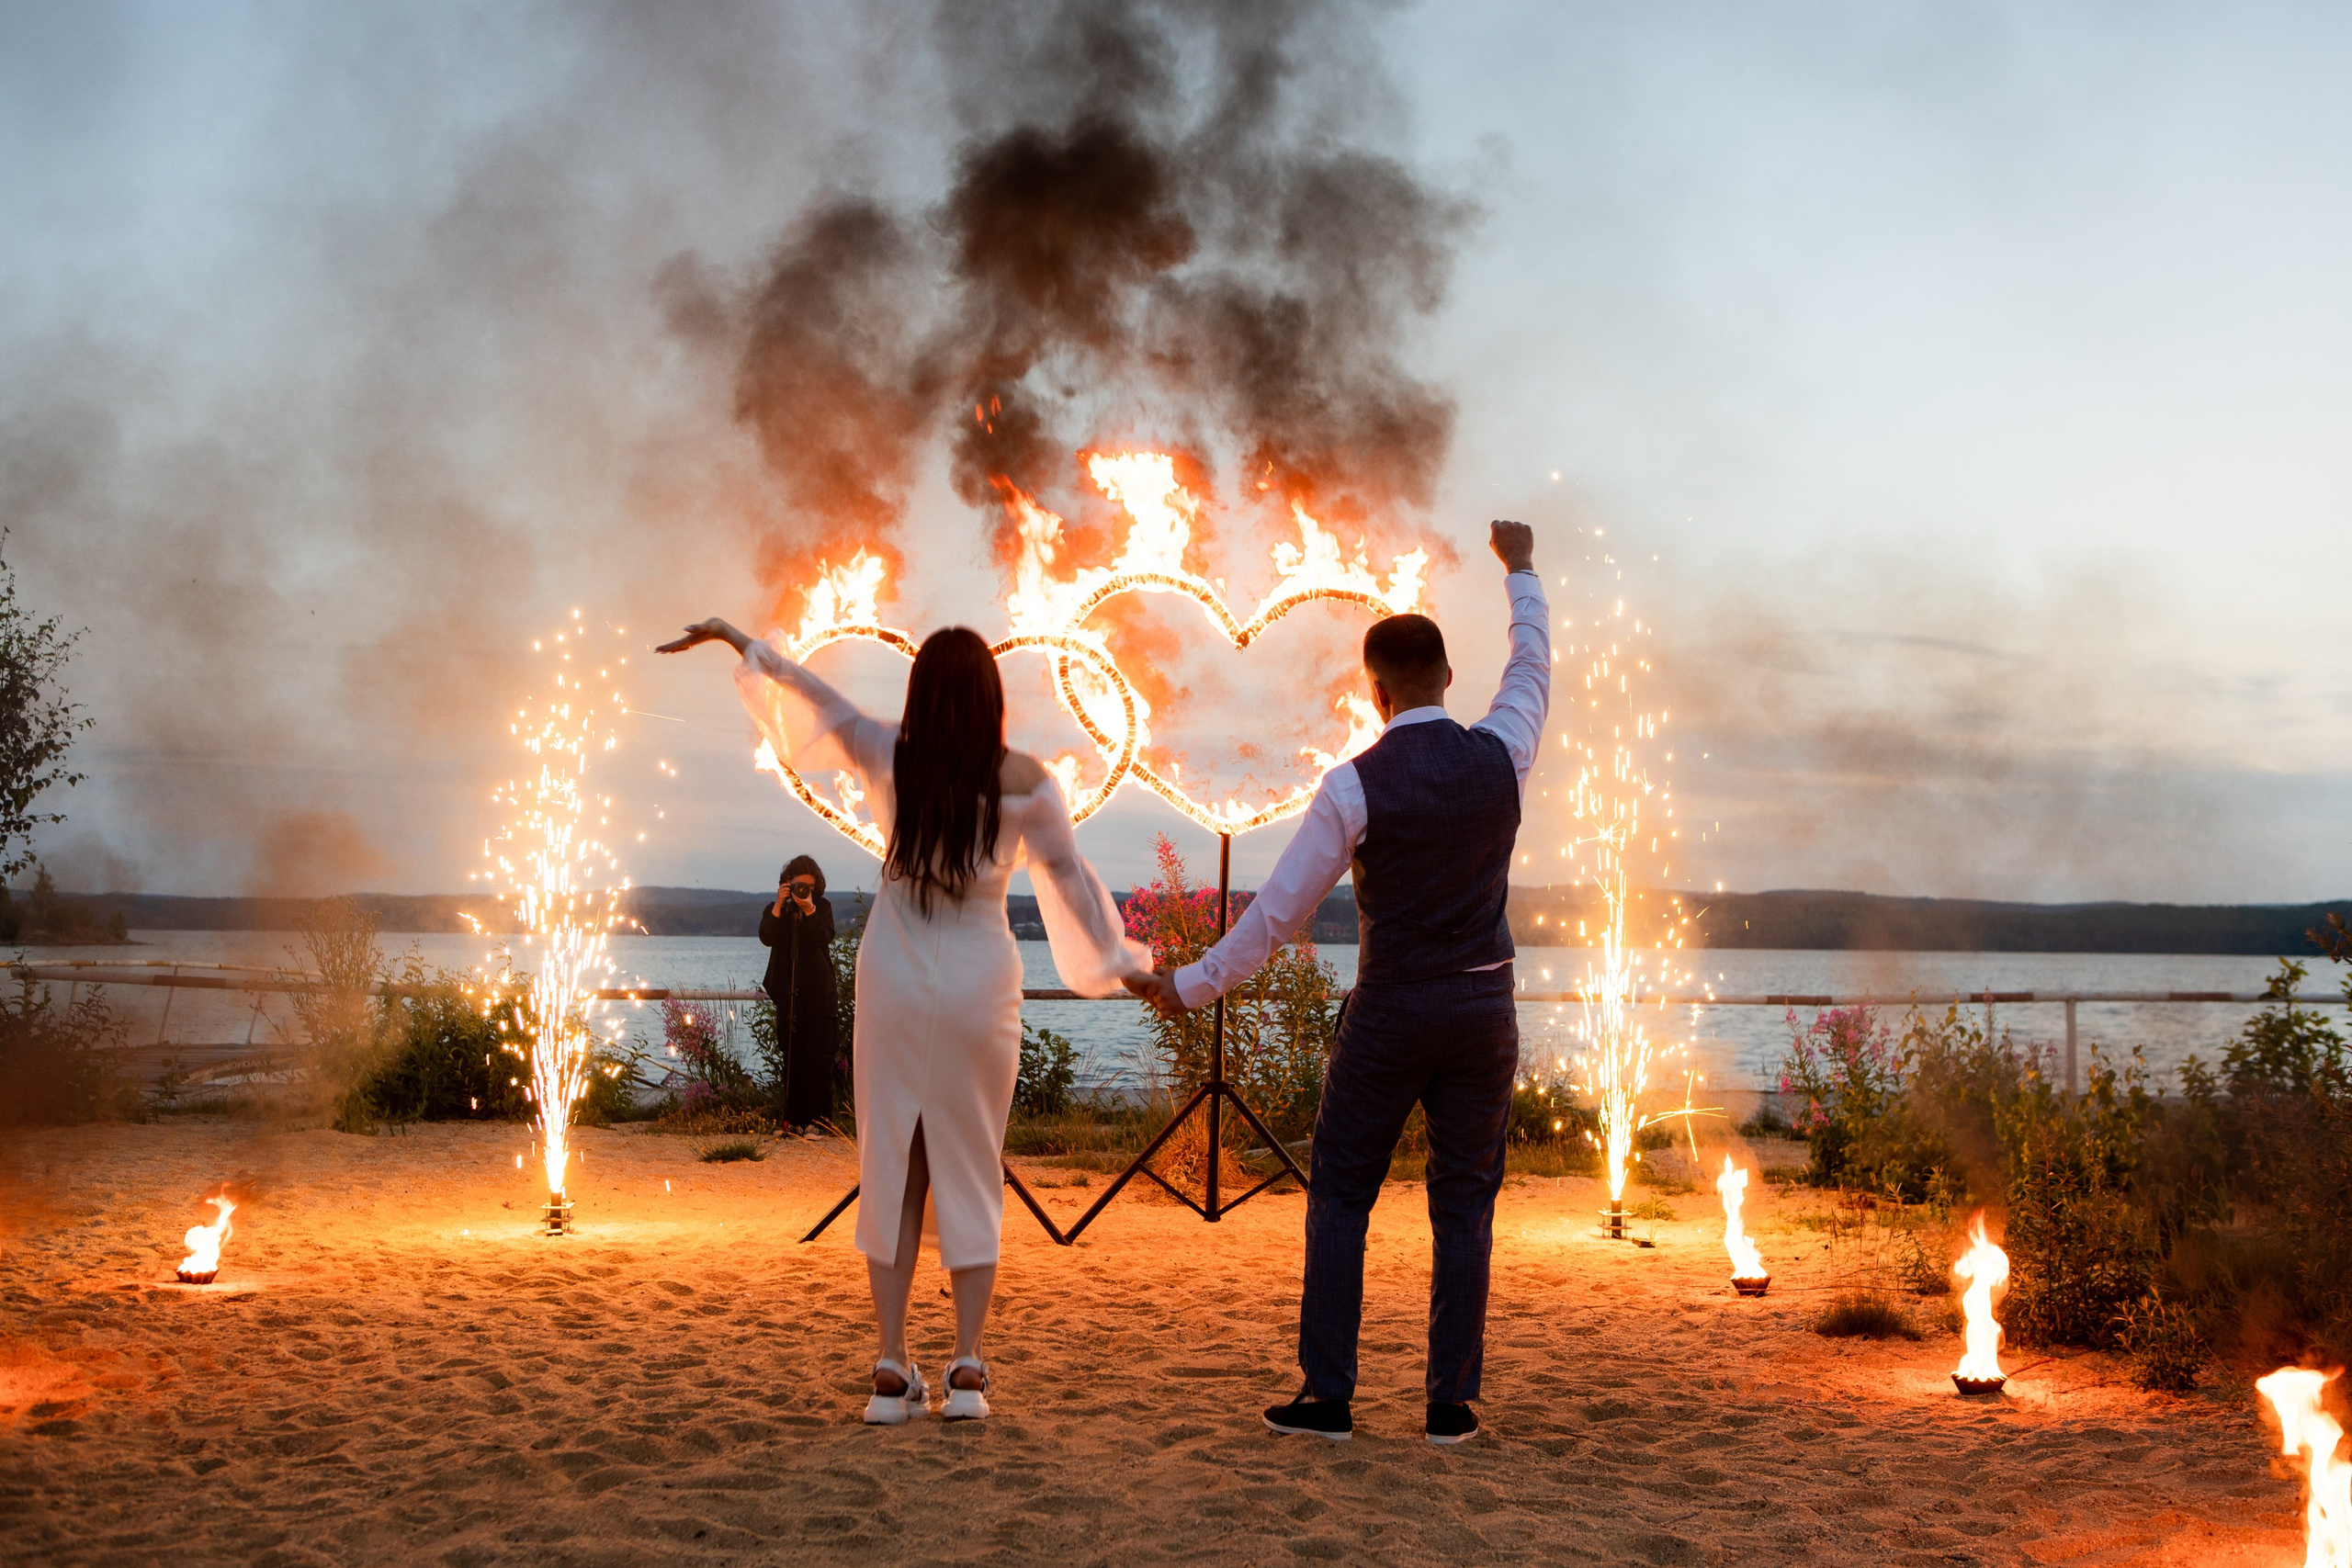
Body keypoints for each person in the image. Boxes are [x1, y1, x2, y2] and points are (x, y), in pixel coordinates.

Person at [661, 617, 1148, 1426]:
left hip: (894, 974)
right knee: (972, 1161)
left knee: (893, 1161)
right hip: (979, 982)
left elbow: (814, 698)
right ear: (990, 699)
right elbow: (1073, 883)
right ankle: (967, 1368)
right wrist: (1128, 964)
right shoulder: (1030, 780)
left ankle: (891, 1364)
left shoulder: (891, 753)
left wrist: (738, 640)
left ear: (921, 693)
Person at [1127, 520, 1550, 1448]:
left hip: (1393, 1009)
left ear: (1375, 692)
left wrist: (1190, 985)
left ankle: (1328, 1397)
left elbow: (1278, 915)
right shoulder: (1503, 753)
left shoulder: (1353, 786)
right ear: (1448, 676)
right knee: (1465, 1202)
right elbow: (1531, 668)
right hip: (1485, 1007)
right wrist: (1520, 572)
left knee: (1340, 1193)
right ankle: (1450, 1405)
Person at [760, 853, 839, 1133]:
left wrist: (809, 909)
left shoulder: (822, 908)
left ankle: (819, 1123)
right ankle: (792, 1121)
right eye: (798, 886)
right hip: (788, 993)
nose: (804, 891)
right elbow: (767, 937)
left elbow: (824, 937)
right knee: (792, 1056)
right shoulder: (778, 910)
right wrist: (780, 904)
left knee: (819, 1057)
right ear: (787, 884)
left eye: (809, 887)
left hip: (819, 993)